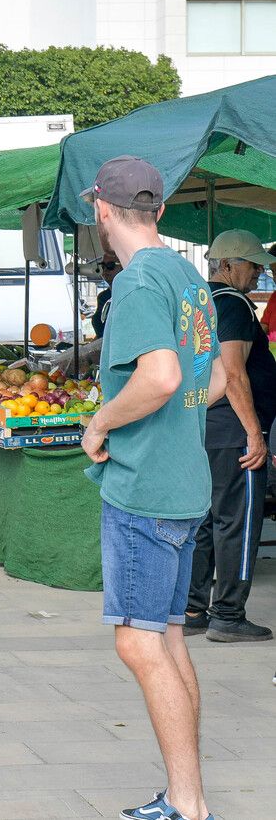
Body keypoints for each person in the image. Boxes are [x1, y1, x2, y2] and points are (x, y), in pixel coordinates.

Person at [79, 156, 224, 820]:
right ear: (159, 210)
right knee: (165, 638)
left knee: (139, 642)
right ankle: (184, 795)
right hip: (186, 482)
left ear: (102, 210)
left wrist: (103, 420)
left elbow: (164, 377)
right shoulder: (188, 277)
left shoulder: (138, 282)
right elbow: (212, 380)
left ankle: (187, 805)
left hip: (143, 488)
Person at [186, 230, 276, 643]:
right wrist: (255, 435)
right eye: (251, 264)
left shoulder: (199, 303)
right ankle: (228, 615)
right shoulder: (234, 306)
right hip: (233, 431)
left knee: (205, 521)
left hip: (204, 428)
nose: (259, 272)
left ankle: (192, 608)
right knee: (237, 523)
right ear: (226, 265)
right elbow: (233, 373)